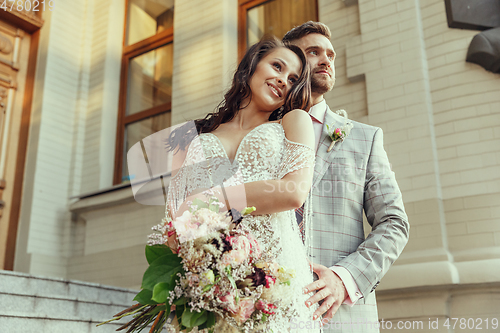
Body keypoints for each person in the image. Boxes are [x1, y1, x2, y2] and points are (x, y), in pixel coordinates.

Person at [164, 37, 321, 332]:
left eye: (292, 79)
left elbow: (293, 192)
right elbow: (175, 214)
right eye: (277, 66)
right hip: (207, 276)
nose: (283, 80)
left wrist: (217, 199)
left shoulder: (293, 122)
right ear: (251, 65)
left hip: (275, 275)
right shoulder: (192, 135)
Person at [278, 21, 409, 332]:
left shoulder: (366, 139)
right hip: (267, 312)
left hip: (342, 319)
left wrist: (343, 278)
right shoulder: (259, 134)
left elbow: (394, 223)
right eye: (313, 52)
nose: (326, 60)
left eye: (331, 55)